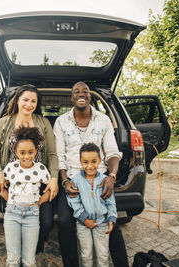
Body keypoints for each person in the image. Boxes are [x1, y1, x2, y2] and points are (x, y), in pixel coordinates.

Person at [53, 81, 129, 267]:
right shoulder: (61, 122)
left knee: (113, 222)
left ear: (90, 96)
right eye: (76, 92)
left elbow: (112, 152)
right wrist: (64, 182)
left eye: (85, 92)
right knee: (64, 222)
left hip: (99, 178)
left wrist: (111, 177)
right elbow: (59, 156)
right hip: (71, 178)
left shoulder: (103, 120)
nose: (81, 94)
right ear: (71, 98)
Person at [0, 84, 59, 253]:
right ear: (17, 100)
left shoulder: (43, 122)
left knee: (47, 222)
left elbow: (52, 154)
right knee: (16, 222)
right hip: (13, 183)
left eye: (33, 101)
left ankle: (33, 250)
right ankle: (18, 253)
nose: (29, 104)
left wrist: (54, 178)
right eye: (25, 99)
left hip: (39, 181)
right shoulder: (5, 122)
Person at [0, 126, 51, 266]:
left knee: (29, 260)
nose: (27, 156)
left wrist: (39, 202)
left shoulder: (40, 169)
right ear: (16, 152)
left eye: (30, 152)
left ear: (36, 151)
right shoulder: (10, 168)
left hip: (32, 215)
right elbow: (1, 187)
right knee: (13, 259)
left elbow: (50, 189)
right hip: (12, 214)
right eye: (22, 152)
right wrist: (10, 201)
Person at [67, 143, 117, 267]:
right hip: (83, 224)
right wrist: (84, 219)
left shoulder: (105, 180)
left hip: (102, 223)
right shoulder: (76, 180)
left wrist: (111, 218)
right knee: (86, 255)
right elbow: (74, 202)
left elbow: (111, 202)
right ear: (80, 162)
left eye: (94, 161)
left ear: (100, 161)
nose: (90, 166)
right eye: (85, 162)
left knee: (103, 255)